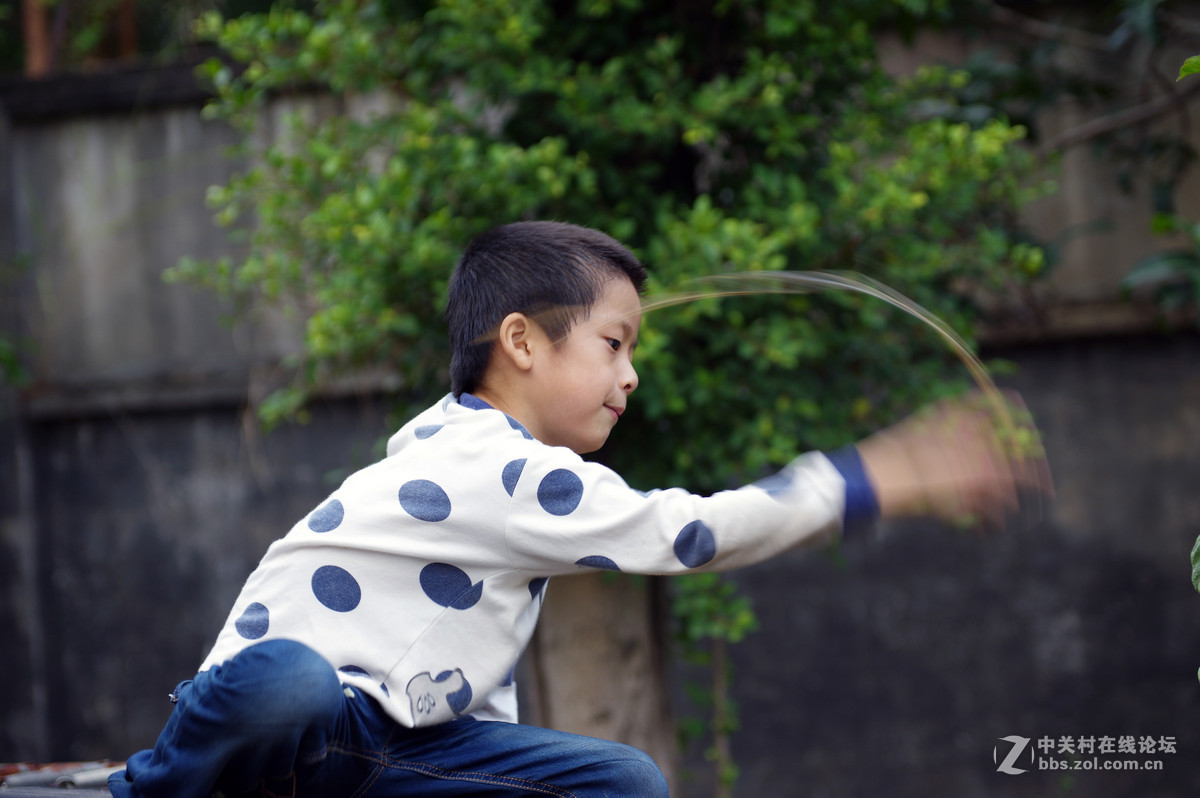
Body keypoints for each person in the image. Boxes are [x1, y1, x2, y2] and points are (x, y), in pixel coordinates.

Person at [109, 220, 1045, 798]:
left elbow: (474, 681)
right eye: (613, 342)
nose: (629, 375)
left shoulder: (509, 472)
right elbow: (693, 534)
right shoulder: (490, 463)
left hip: (393, 756)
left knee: (623, 780)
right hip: (300, 727)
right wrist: (868, 476)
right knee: (289, 684)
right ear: (520, 341)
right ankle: (152, 790)